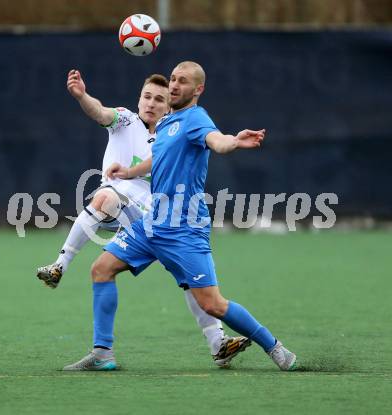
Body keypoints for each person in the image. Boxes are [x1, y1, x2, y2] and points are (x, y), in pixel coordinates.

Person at [63, 61, 297, 372]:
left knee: (212, 303)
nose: (174, 85)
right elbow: (158, 157)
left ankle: (276, 348)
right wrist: (130, 171)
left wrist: (234, 142)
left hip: (184, 228)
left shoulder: (196, 119)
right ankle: (103, 353)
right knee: (101, 269)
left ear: (197, 89)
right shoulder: (165, 123)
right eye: (172, 79)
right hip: (152, 223)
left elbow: (217, 141)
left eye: (182, 81)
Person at [37, 69, 250, 369]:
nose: (151, 103)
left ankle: (218, 342)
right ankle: (60, 265)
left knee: (186, 275)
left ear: (168, 104)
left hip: (154, 217)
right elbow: (99, 112)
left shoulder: (171, 131)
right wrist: (82, 95)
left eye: (159, 99)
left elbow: (212, 141)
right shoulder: (125, 120)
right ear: (139, 100)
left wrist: (230, 142)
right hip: (115, 207)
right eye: (147, 97)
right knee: (105, 198)